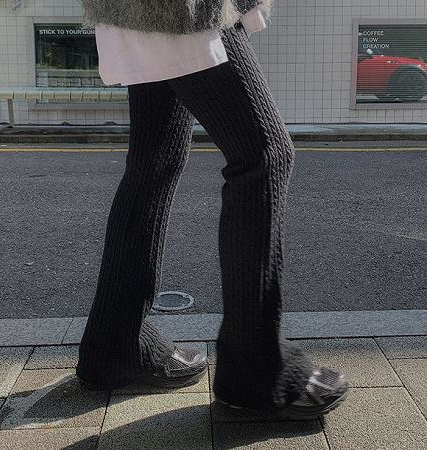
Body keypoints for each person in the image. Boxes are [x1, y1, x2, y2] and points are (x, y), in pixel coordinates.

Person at [75, 0, 349, 420]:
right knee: (264, 156)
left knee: (154, 163)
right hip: (181, 12)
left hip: (140, 11)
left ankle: (114, 343)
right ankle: (256, 374)